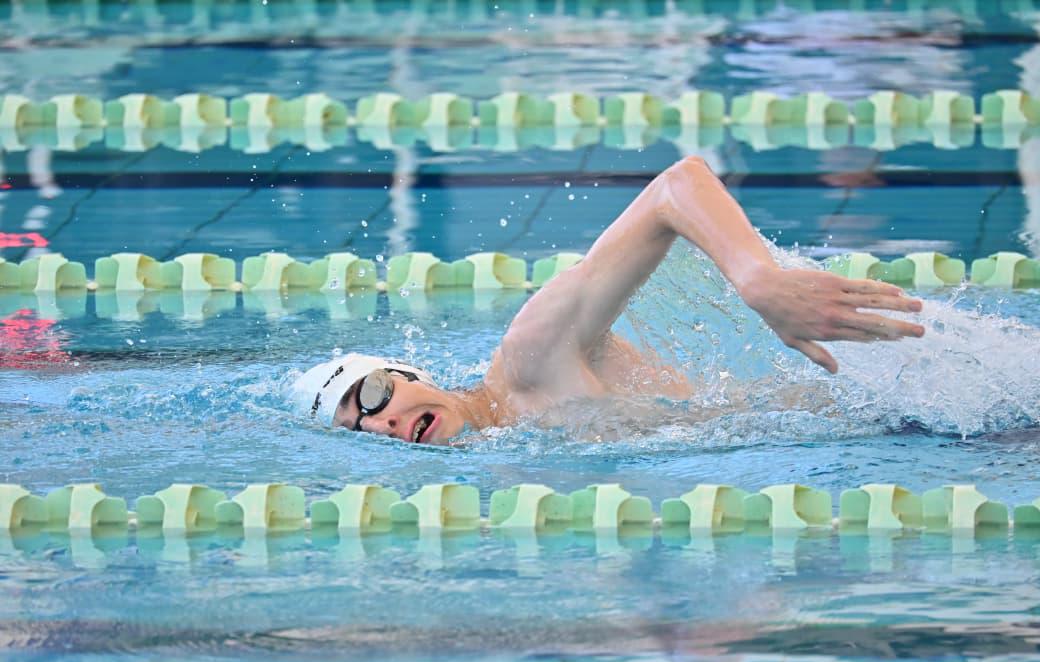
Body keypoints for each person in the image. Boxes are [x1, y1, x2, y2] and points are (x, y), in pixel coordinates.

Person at [293, 156, 925, 446]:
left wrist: (759, 283)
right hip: (884, 428)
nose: (382, 424)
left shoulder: (531, 357)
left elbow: (677, 187)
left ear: (406, 375)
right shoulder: (510, 455)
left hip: (904, 403)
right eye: (361, 431)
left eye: (372, 396)